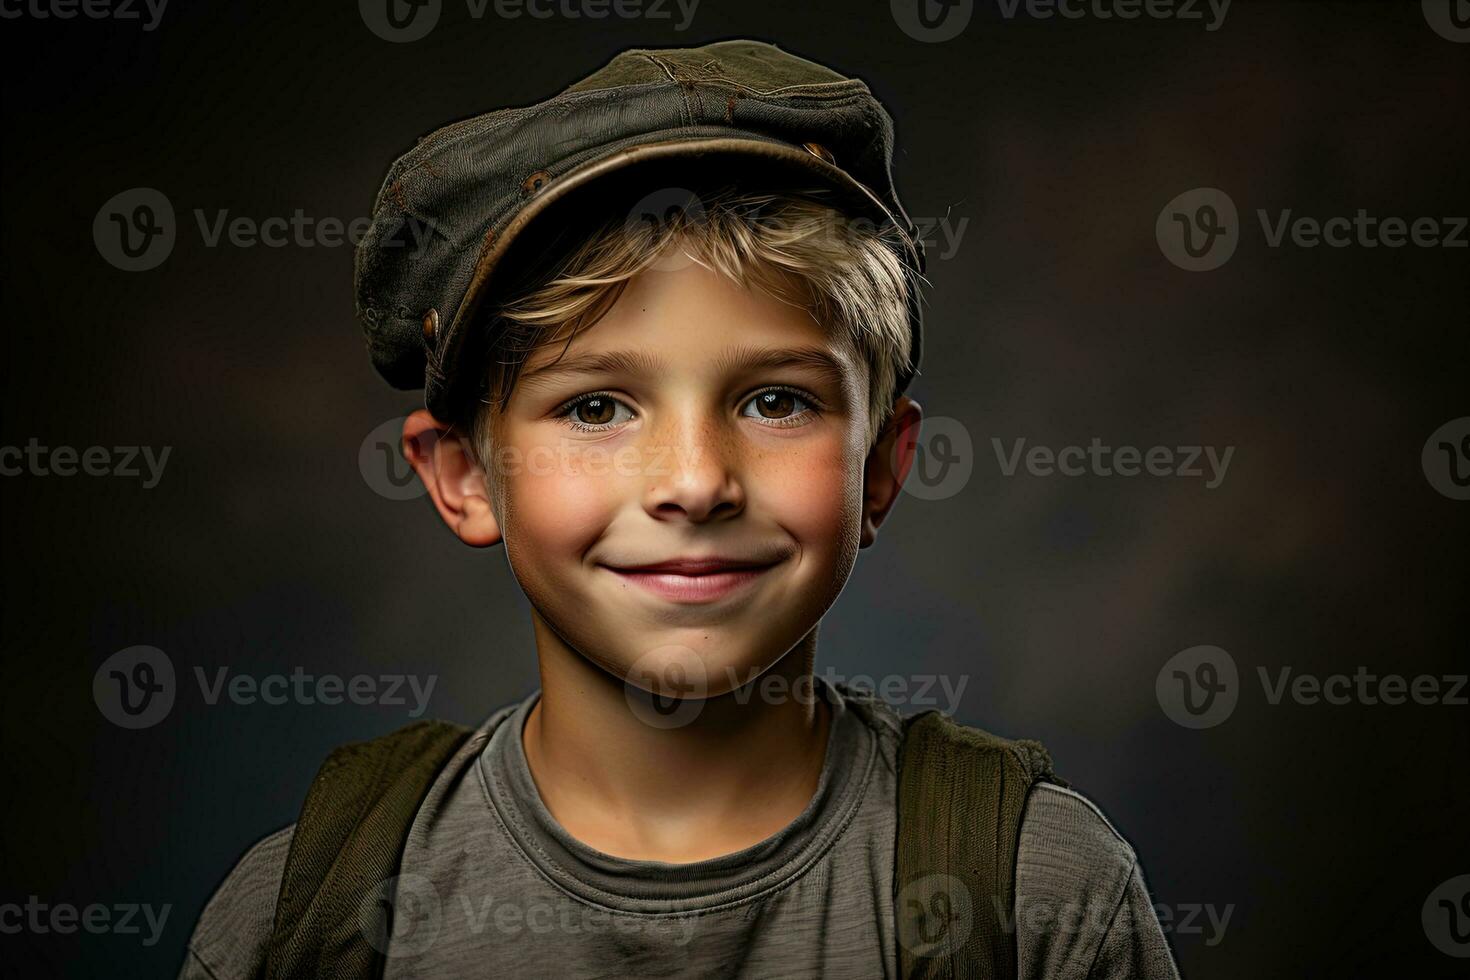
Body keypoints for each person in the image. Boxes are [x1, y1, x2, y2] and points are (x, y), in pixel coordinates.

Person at [179, 40, 1181, 979]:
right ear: (466, 477)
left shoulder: (1034, 894)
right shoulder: (306, 912)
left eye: (776, 400)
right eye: (597, 406)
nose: (696, 482)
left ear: (877, 466)